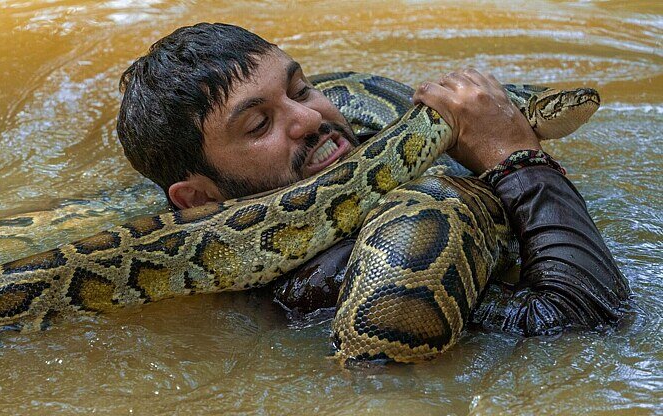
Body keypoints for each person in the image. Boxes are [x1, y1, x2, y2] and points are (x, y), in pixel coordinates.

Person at [116, 23, 630, 336]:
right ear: (199, 199)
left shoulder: (370, 145)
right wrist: (514, 158)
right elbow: (579, 322)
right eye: (259, 124)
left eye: (300, 87)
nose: (310, 118)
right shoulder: (327, 288)